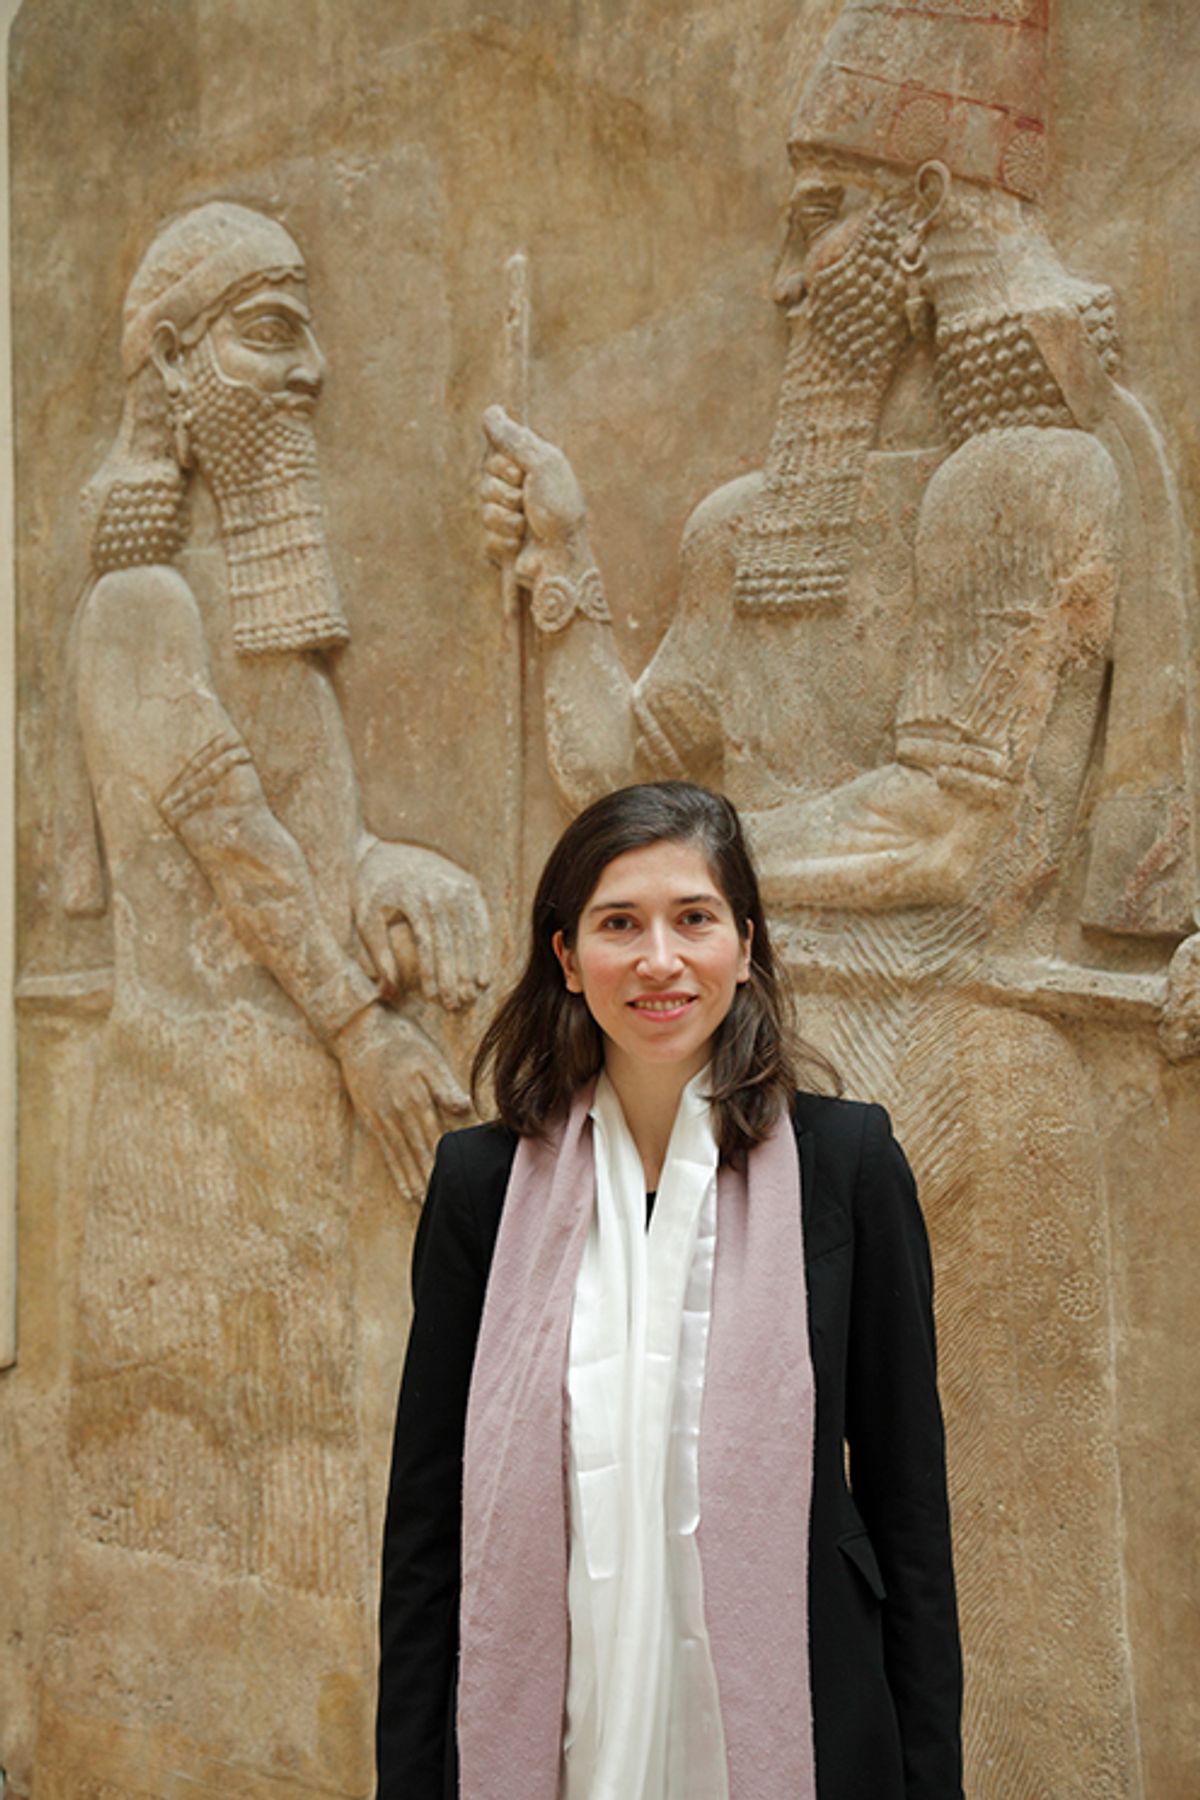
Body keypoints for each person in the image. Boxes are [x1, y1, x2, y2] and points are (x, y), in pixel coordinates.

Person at [377, 781, 963, 1800]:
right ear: (565, 956)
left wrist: (930, 1779)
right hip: (554, 1736)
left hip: (798, 1732)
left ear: (745, 942)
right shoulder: (480, 1188)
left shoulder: (847, 1166)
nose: (659, 959)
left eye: (693, 919)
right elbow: (426, 1533)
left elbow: (910, 1515)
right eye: (619, 924)